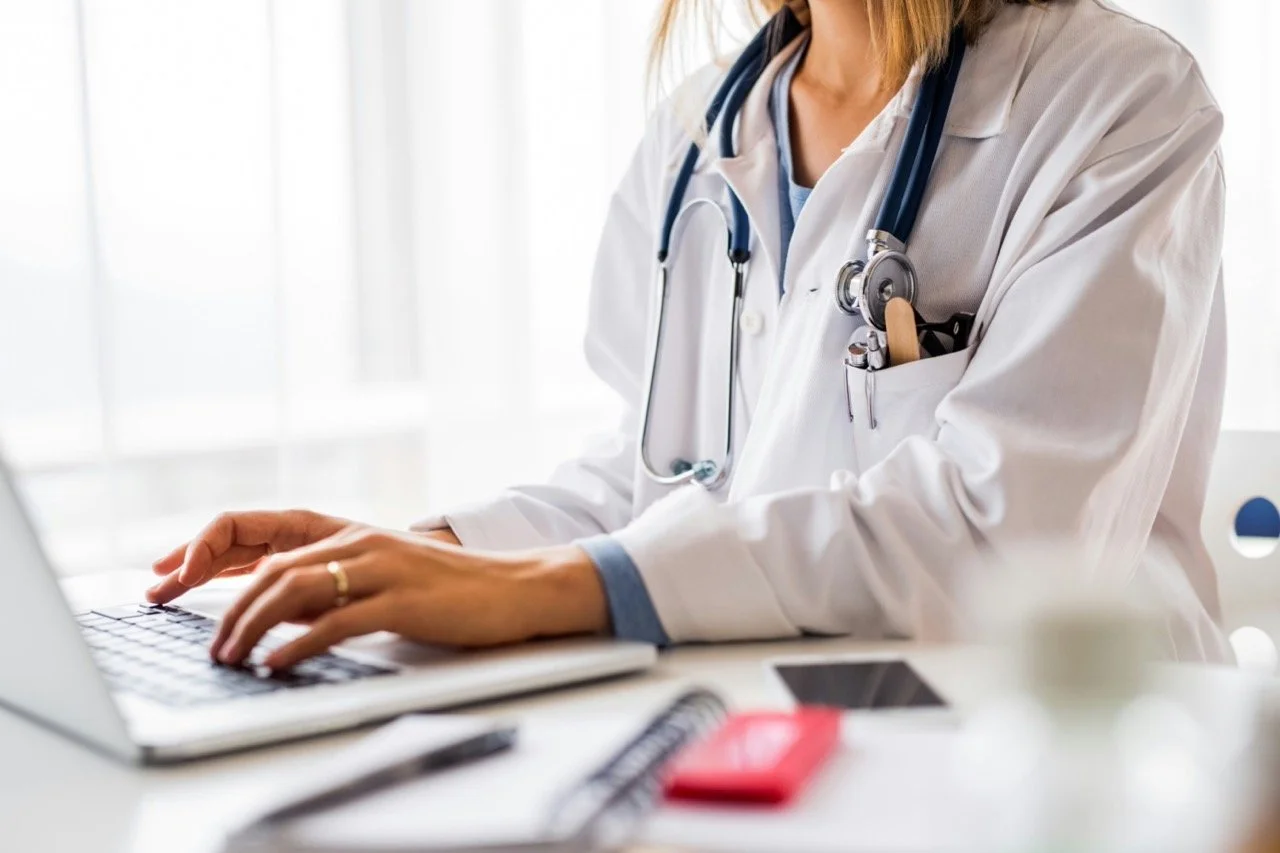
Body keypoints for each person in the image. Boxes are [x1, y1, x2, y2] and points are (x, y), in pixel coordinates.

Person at [148, 0, 1231, 668]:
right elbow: (656, 479)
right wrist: (423, 555)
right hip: (777, 726)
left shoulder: (1113, 101)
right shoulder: (698, 131)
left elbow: (1011, 543)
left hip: (1074, 756)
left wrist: (556, 589)